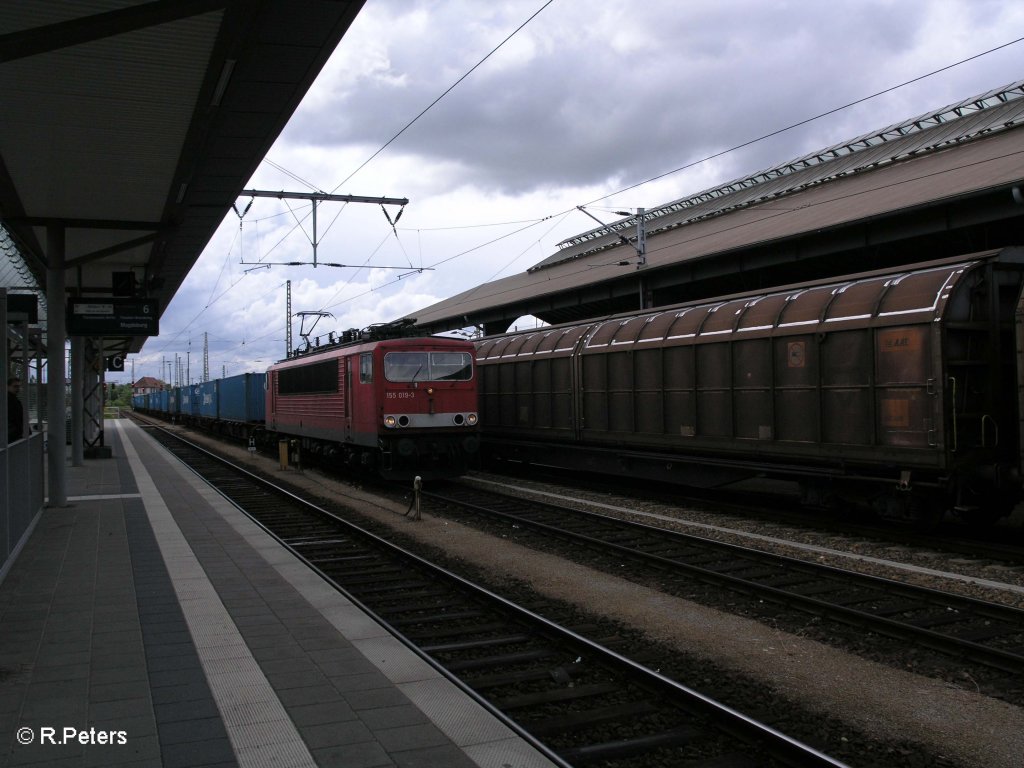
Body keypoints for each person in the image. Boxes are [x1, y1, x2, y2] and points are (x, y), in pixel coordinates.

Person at [7, 377, 24, 442]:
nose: (18, 389)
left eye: (19, 386)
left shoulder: (13, 399)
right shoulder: (9, 400)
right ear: (8, 387)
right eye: (15, 386)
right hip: (12, 434)